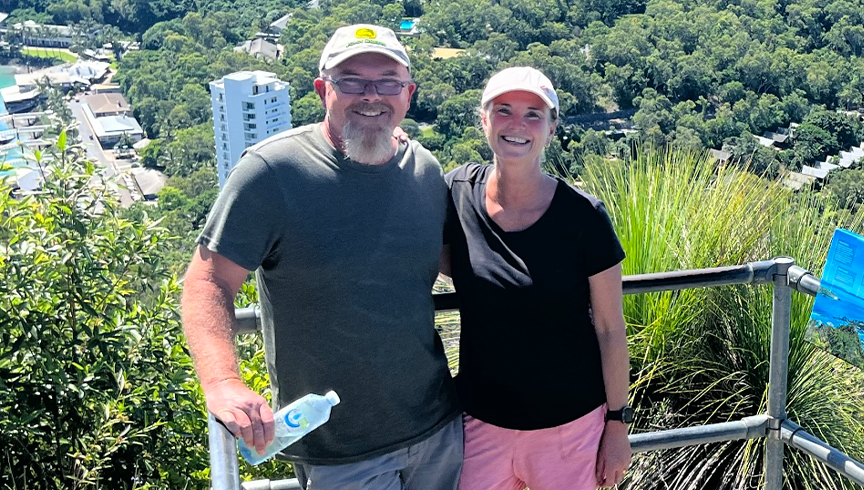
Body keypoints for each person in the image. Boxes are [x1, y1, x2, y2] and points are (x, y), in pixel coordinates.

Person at [181, 24, 462, 490]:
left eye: (387, 82)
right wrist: (222, 382)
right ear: (322, 90)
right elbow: (208, 282)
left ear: (408, 94)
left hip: (439, 430)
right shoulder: (272, 172)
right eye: (351, 80)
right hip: (339, 449)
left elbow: (460, 263)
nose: (371, 95)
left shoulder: (424, 170)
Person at [442, 67, 632, 490]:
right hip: (480, 424)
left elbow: (610, 328)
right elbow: (418, 245)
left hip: (569, 428)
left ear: (551, 129)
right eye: (504, 110)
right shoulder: (457, 192)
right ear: (484, 119)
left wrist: (617, 424)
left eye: (533, 114)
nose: (517, 124)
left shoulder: (584, 217)